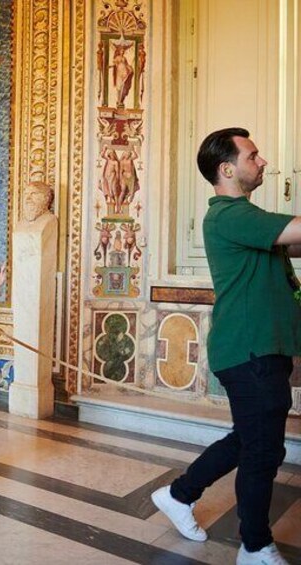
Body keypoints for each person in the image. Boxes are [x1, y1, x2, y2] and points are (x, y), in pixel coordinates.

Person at [151, 128, 296, 565]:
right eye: (253, 155)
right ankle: (254, 546)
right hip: (249, 350)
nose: (263, 161)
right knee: (263, 450)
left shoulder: (248, 219)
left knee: (250, 440)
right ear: (227, 169)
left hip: (257, 348)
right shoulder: (230, 215)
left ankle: (178, 495)